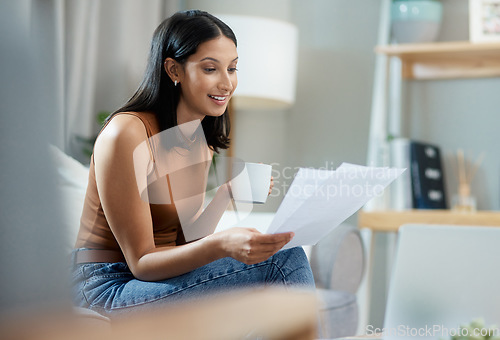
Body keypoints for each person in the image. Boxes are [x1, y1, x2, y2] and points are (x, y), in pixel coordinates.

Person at [71, 10, 314, 316]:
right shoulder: (127, 133)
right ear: (174, 70)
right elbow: (142, 263)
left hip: (154, 281)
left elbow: (186, 243)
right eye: (211, 68)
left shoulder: (198, 142)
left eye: (233, 68)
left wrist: (226, 194)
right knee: (283, 262)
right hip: (105, 287)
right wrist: (222, 244)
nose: (227, 83)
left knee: (283, 255)